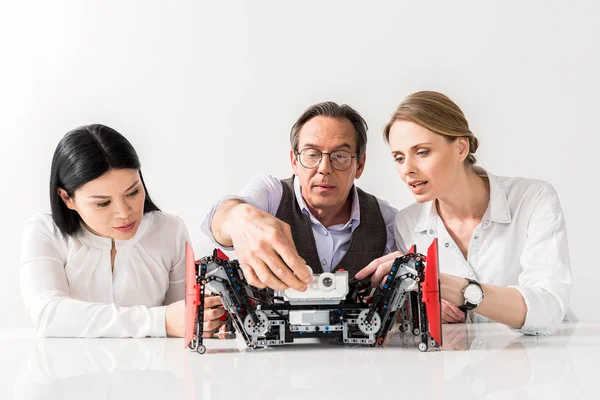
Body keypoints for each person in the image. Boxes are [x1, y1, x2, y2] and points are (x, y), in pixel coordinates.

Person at [356, 91, 573, 335]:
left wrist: (448, 286)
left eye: (422, 152)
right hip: (465, 364)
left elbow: (548, 308)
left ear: (461, 148)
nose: (407, 169)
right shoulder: (408, 222)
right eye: (398, 157)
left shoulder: (533, 199)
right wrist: (424, 304)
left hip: (547, 358)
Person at [200, 101, 398, 334]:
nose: (324, 168)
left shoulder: (386, 220)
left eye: (340, 156)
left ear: (360, 165)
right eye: (312, 154)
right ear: (294, 161)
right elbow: (219, 218)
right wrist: (238, 217)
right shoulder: (272, 195)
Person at [19, 124, 216, 338]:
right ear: (67, 198)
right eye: (103, 203)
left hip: (155, 369)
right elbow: (49, 315)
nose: (124, 213)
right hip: (68, 369)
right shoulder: (45, 232)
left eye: (132, 193)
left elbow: (185, 320)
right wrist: (160, 321)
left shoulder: (170, 230)